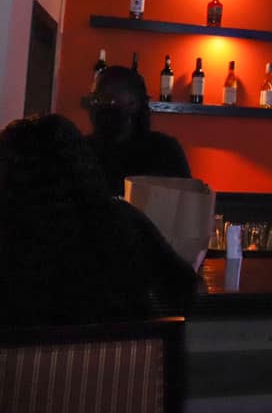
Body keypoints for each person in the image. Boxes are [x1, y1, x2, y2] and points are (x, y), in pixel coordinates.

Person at [0, 114, 198, 325]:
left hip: (22, 356)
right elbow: (182, 287)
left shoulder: (10, 230)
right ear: (83, 162)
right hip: (120, 355)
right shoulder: (124, 221)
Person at [87, 65, 191, 196]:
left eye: (111, 100)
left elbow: (184, 203)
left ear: (134, 105)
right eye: (96, 100)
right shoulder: (81, 150)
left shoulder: (164, 151)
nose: (102, 106)